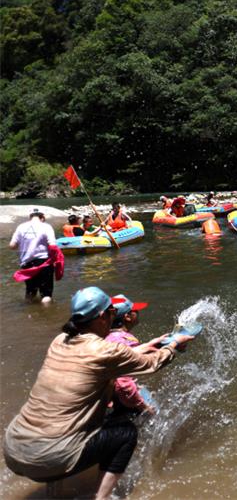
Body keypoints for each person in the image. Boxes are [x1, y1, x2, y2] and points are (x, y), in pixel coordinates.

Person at [3, 287, 193, 500]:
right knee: (126, 433)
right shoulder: (107, 350)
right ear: (103, 316)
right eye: (111, 313)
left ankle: (53, 494)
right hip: (50, 458)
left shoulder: (60, 341)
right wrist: (174, 345)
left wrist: (148, 345)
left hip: (14, 451)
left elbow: (102, 360)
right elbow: (152, 363)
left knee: (62, 424)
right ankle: (100, 498)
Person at [105, 295, 163, 418]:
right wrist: (143, 407)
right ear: (127, 317)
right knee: (152, 416)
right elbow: (123, 382)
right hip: (123, 402)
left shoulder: (106, 337)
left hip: (107, 398)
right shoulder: (127, 342)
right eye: (135, 311)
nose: (137, 312)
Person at [9, 209, 58, 303]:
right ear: (42, 217)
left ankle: (28, 312)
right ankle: (46, 314)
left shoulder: (21, 227)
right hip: (44, 262)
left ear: (30, 217)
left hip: (26, 263)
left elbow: (12, 246)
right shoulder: (46, 226)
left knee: (30, 292)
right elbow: (53, 245)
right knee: (46, 294)